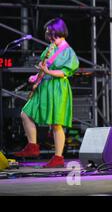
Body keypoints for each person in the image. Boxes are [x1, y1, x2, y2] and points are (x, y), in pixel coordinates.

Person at [13, 18, 79, 168]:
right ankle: (32, 146)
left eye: (50, 32)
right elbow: (44, 67)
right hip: (45, 85)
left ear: (58, 31)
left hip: (57, 87)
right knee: (26, 113)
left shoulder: (68, 51)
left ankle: (58, 157)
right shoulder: (50, 47)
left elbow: (64, 72)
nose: (48, 35)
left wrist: (48, 72)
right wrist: (36, 77)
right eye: (48, 33)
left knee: (56, 124)